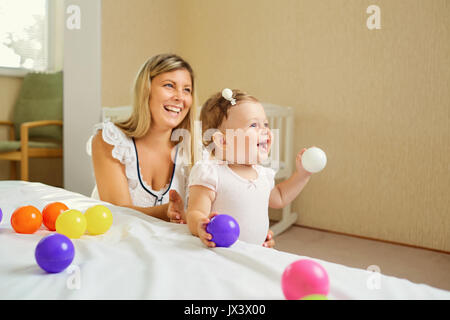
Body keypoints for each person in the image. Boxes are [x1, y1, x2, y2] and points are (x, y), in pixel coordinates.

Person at [186, 89, 313, 248]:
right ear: (223, 141)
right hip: (221, 253)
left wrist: (302, 175)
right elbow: (194, 212)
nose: (265, 130)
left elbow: (279, 197)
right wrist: (200, 225)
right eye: (254, 125)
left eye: (265, 124)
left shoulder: (262, 174)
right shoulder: (211, 174)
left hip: (254, 253)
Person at [87, 53, 196, 223]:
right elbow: (118, 212)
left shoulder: (193, 152)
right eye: (169, 85)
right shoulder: (110, 140)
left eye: (187, 90)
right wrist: (165, 212)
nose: (180, 97)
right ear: (146, 90)